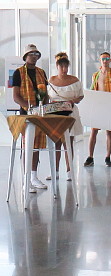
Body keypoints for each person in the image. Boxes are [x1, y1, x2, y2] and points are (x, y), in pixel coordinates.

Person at [12, 44, 49, 193]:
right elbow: (16, 96)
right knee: (27, 146)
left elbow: (46, 93)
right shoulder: (18, 72)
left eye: (36, 53)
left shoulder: (42, 72)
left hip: (40, 114)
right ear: (25, 56)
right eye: (31, 53)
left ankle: (34, 176)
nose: (34, 56)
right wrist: (29, 108)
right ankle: (26, 179)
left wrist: (44, 108)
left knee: (37, 145)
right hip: (26, 114)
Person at [47, 52, 84, 181]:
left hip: (70, 112)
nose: (64, 69)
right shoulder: (51, 80)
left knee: (69, 143)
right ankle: (55, 171)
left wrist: (72, 101)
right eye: (61, 66)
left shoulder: (75, 80)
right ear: (57, 66)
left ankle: (69, 171)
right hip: (55, 113)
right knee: (56, 142)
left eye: (66, 66)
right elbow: (47, 96)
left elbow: (81, 96)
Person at [84, 52, 111, 167]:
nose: (105, 61)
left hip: (110, 105)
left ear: (110, 60)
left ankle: (107, 157)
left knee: (109, 131)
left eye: (107, 59)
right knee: (93, 131)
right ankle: (90, 157)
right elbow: (93, 90)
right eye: (103, 59)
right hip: (98, 105)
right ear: (100, 60)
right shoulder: (95, 75)